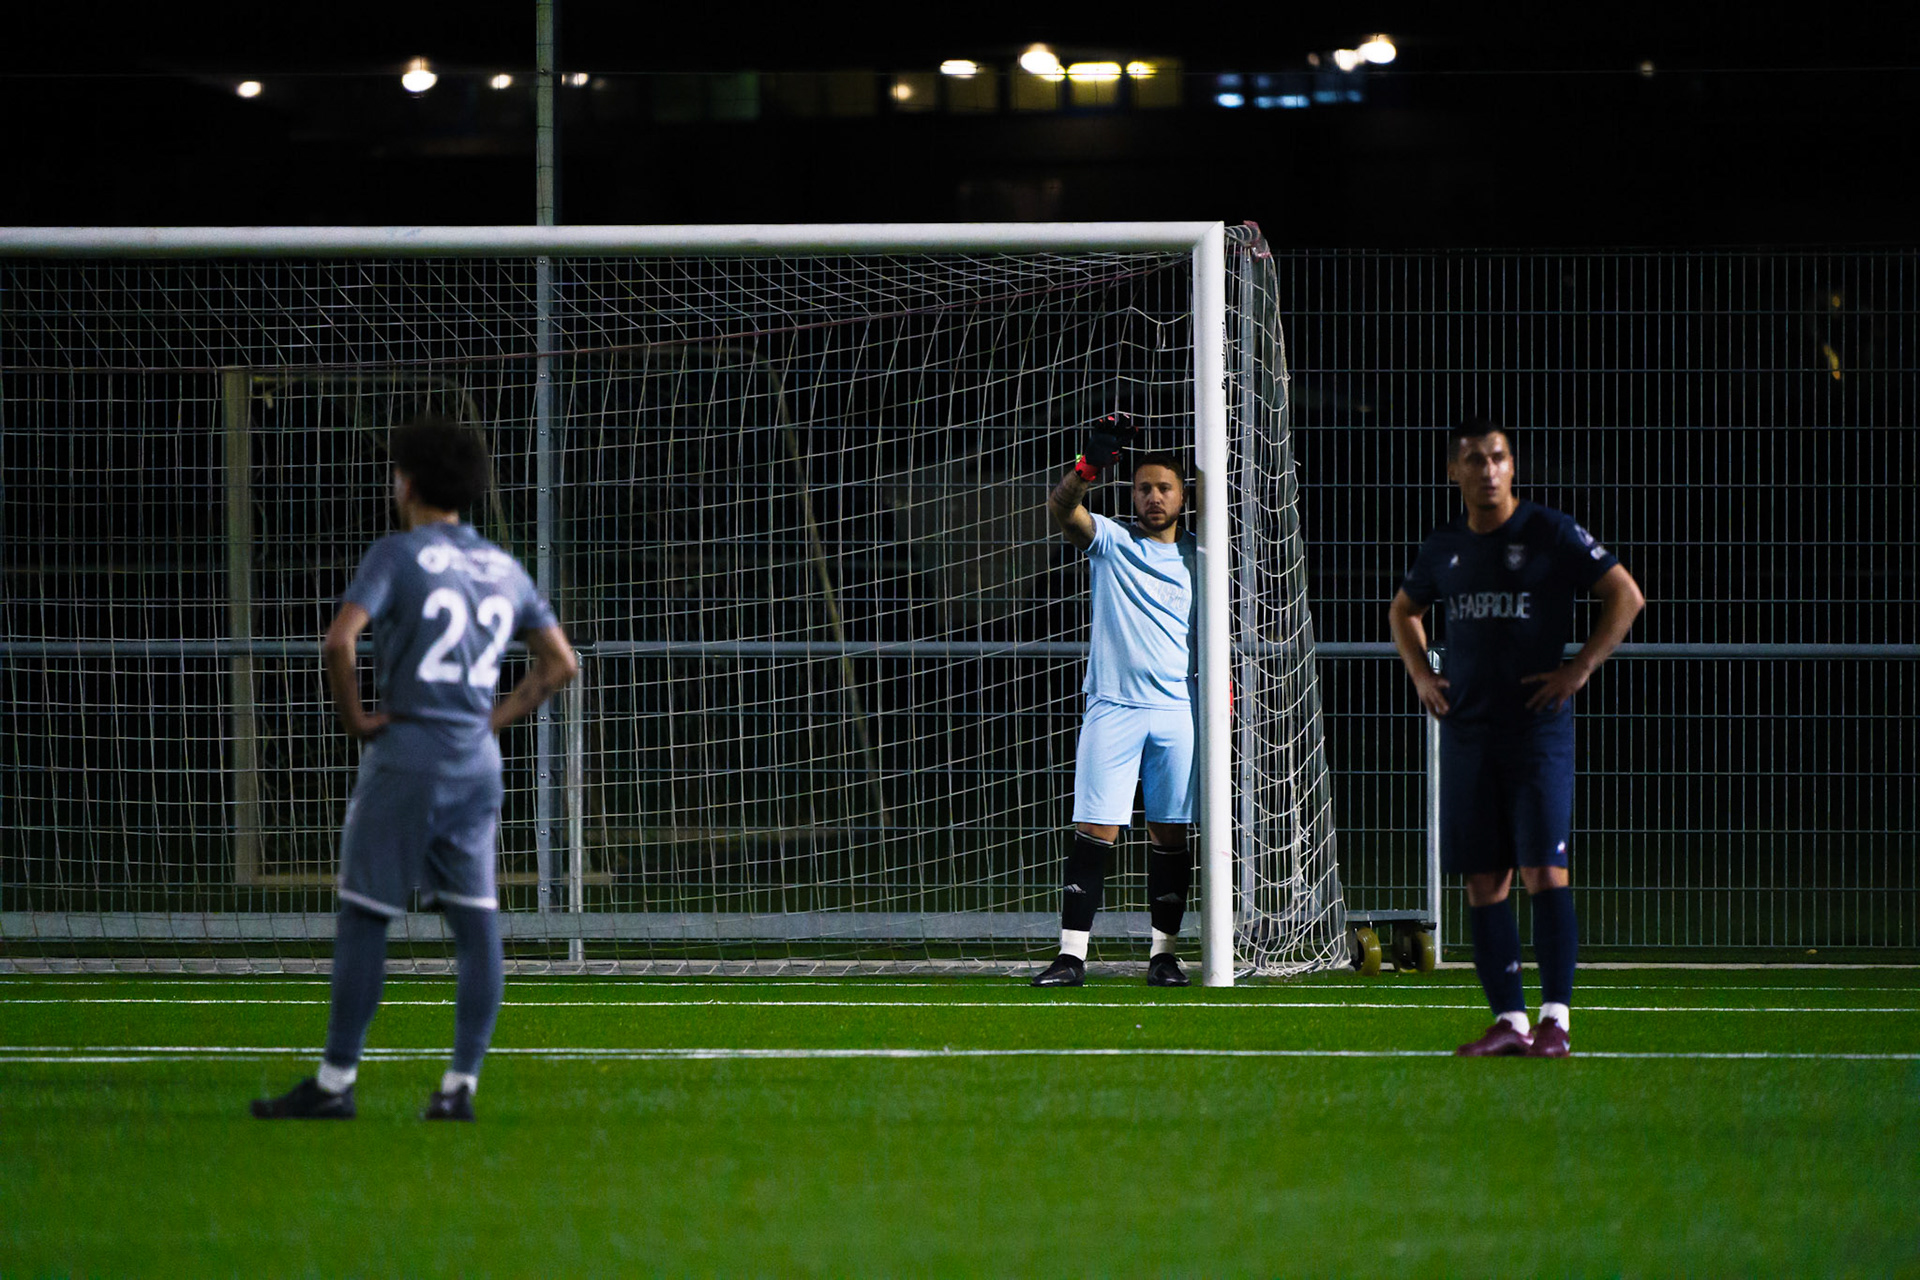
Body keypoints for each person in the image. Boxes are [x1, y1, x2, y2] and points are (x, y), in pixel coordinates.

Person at [251, 414, 577, 1120]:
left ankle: (336, 1084)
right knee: (477, 922)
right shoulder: (502, 565)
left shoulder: (397, 555)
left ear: (408, 482)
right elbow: (561, 662)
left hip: (406, 756)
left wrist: (357, 720)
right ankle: (460, 1086)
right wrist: (491, 720)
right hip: (476, 763)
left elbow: (340, 641)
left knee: (367, 916)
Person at [1389, 417, 1643, 1057]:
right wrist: (1422, 673)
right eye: (1473, 459)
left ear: (1512, 465)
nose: (1487, 469)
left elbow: (1625, 595)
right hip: (1469, 732)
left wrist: (1578, 668)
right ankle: (1510, 1021)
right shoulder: (1444, 546)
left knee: (1543, 870)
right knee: (1483, 881)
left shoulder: (1548, 532)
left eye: (1497, 457)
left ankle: (1555, 1019)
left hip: (1536, 730)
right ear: (1454, 472)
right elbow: (1404, 610)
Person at [1031, 413, 1198, 989]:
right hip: (1112, 708)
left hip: (1178, 714)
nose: (1154, 497)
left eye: (1165, 488)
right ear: (1132, 493)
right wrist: (1087, 468)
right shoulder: (1112, 542)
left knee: (1171, 834)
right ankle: (1071, 957)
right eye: (1145, 488)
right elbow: (1061, 511)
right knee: (1095, 830)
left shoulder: (1201, 562)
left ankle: (1165, 956)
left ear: (1183, 496)